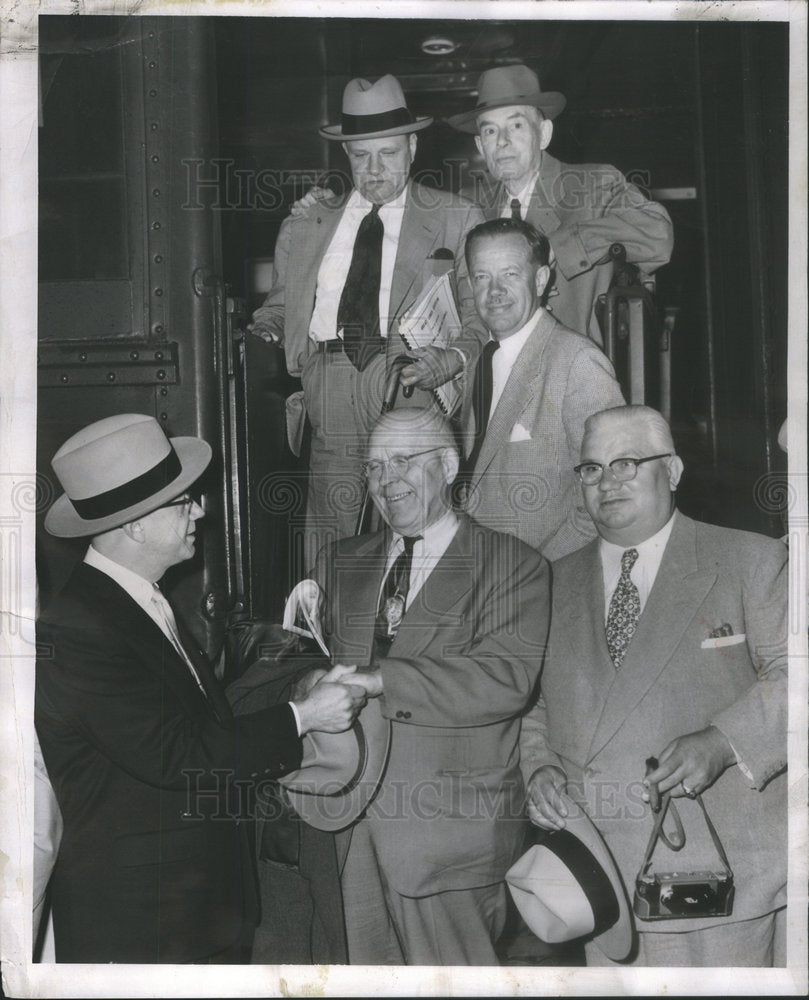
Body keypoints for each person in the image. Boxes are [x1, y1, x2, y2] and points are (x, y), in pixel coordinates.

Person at [35, 413, 368, 964]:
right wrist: (303, 717)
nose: (201, 510)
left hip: (191, 911)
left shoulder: (134, 601)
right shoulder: (80, 631)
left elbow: (195, 727)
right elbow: (178, 755)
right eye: (182, 502)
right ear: (135, 525)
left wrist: (301, 690)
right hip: (144, 925)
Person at [522, 404, 787, 966]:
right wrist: (538, 765)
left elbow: (799, 679)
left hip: (718, 875)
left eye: (626, 463)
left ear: (673, 470)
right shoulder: (550, 581)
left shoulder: (751, 561)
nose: (607, 483)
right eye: (591, 469)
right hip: (597, 877)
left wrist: (722, 742)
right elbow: (532, 703)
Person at [301, 408, 550, 965]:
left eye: (403, 461)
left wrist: (380, 679)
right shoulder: (340, 561)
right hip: (347, 825)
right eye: (373, 467)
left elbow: (504, 678)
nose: (386, 481)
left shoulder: (513, 565)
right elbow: (309, 657)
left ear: (449, 465)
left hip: (449, 834)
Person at [249, 74, 486, 570]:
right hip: (329, 384)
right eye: (361, 156)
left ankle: (419, 628)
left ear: (413, 147)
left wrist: (449, 361)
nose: (374, 169)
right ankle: (331, 637)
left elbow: (479, 320)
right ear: (346, 156)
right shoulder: (306, 223)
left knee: (417, 515)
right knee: (333, 531)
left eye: (389, 154)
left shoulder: (457, 218)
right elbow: (278, 308)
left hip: (410, 380)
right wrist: (265, 332)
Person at [446, 64, 673, 344]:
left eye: (516, 126)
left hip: (571, 373)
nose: (502, 142)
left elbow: (658, 236)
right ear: (481, 147)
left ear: (543, 134)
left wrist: (558, 248)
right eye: (491, 131)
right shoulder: (469, 206)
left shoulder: (594, 184)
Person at [461, 217, 625, 560]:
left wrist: (539, 575)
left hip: (542, 583)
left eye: (510, 274)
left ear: (540, 279)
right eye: (482, 276)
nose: (494, 292)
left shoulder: (578, 363)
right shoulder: (483, 360)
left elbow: (609, 497)